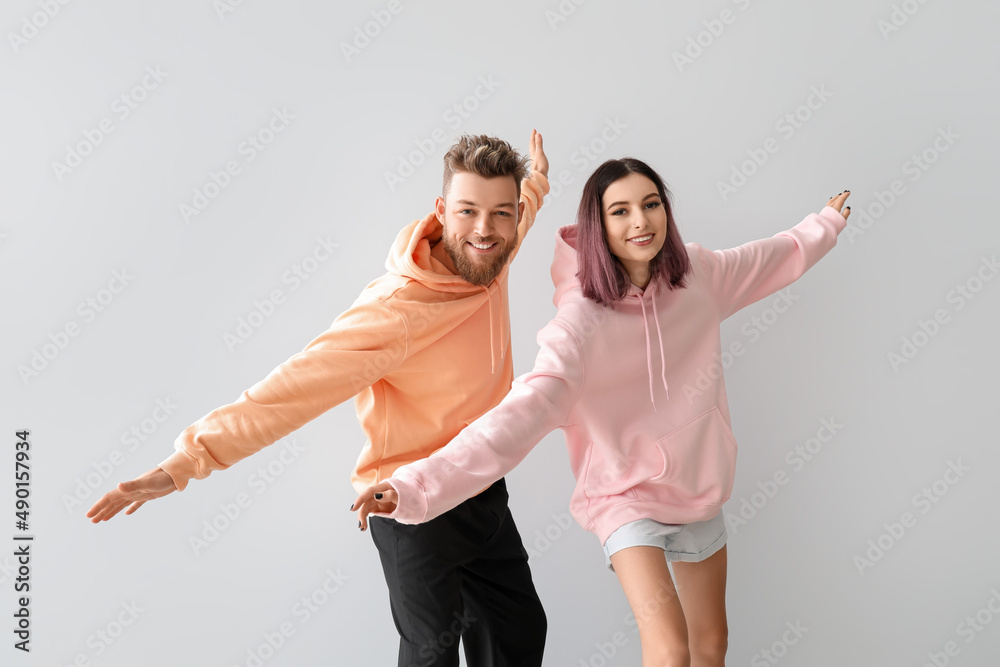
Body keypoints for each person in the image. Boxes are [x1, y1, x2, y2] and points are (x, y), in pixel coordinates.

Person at [352, 157, 851, 666]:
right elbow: (517, 417)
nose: (640, 221)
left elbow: (773, 256)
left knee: (709, 646)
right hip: (622, 496)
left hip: (699, 485)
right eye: (620, 211)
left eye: (651, 204)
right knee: (672, 649)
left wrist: (826, 223)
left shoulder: (700, 276)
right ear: (599, 226)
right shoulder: (579, 325)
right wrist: (414, 485)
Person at [87, 131, 552, 667]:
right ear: (443, 211)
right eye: (468, 211)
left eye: (501, 214)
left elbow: (523, 207)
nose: (484, 231)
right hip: (404, 499)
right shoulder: (395, 312)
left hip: (477, 482)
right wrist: (184, 462)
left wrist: (536, 179)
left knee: (517, 630)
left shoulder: (495, 251)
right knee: (433, 653)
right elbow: (288, 393)